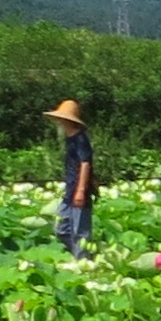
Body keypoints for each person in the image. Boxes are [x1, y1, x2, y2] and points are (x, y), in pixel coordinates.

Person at [46, 98, 96, 256]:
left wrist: (80, 191)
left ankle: (83, 260)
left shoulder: (80, 139)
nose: (59, 122)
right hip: (70, 189)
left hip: (79, 190)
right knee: (61, 228)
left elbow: (85, 164)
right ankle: (77, 253)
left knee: (80, 232)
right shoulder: (70, 138)